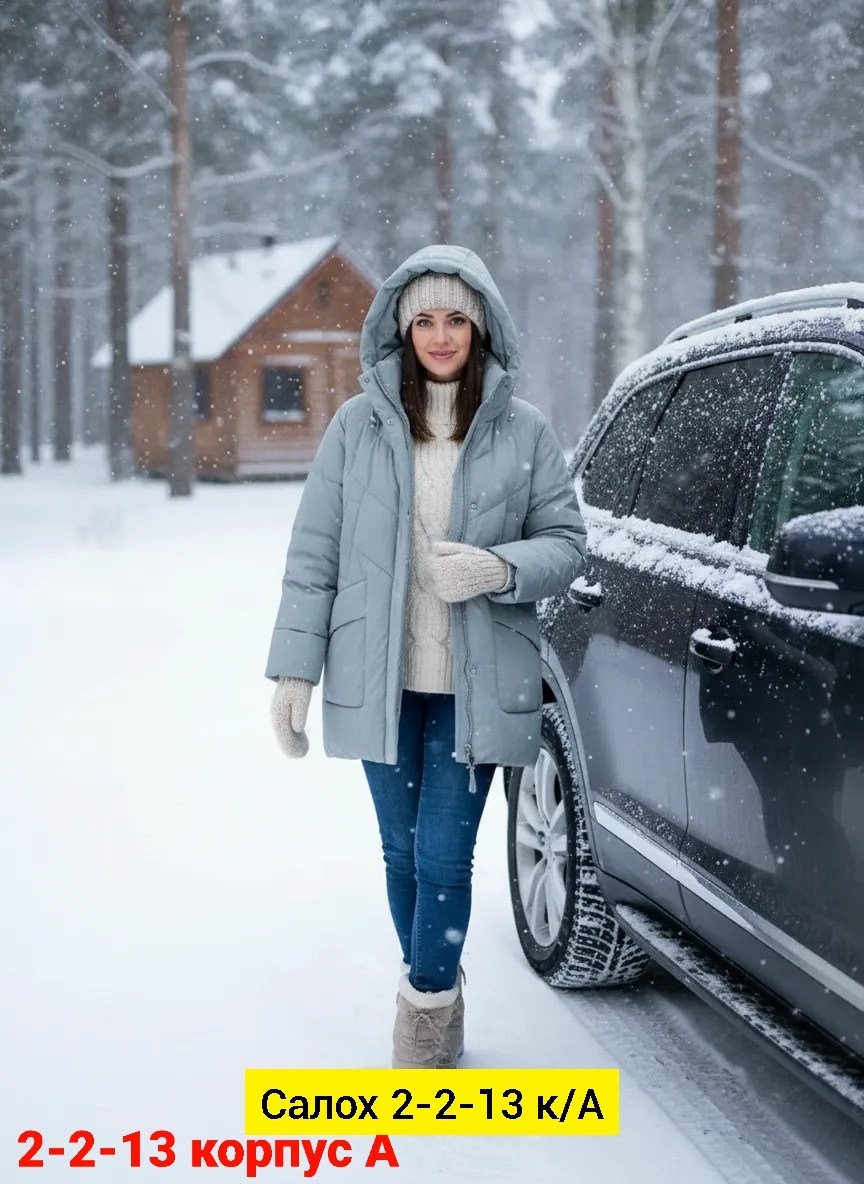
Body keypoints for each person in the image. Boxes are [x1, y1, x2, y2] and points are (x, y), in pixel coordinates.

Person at [265, 244, 586, 1068]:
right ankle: (431, 976)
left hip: (476, 688)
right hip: (381, 684)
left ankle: (427, 1020)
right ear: (402, 331)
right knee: (401, 852)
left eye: (455, 319)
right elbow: (315, 556)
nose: (440, 336)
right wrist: (295, 671)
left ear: (479, 328)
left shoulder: (524, 430)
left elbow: (568, 544)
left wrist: (500, 568)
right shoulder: (357, 429)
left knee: (445, 853)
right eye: (424, 320)